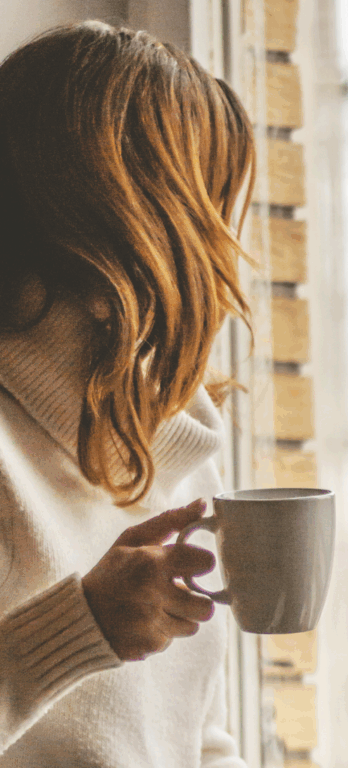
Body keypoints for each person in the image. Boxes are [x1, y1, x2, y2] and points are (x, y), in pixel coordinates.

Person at [0, 20, 259, 766]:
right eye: (197, 202)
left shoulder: (181, 447)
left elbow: (199, 742)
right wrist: (79, 627)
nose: (215, 244)